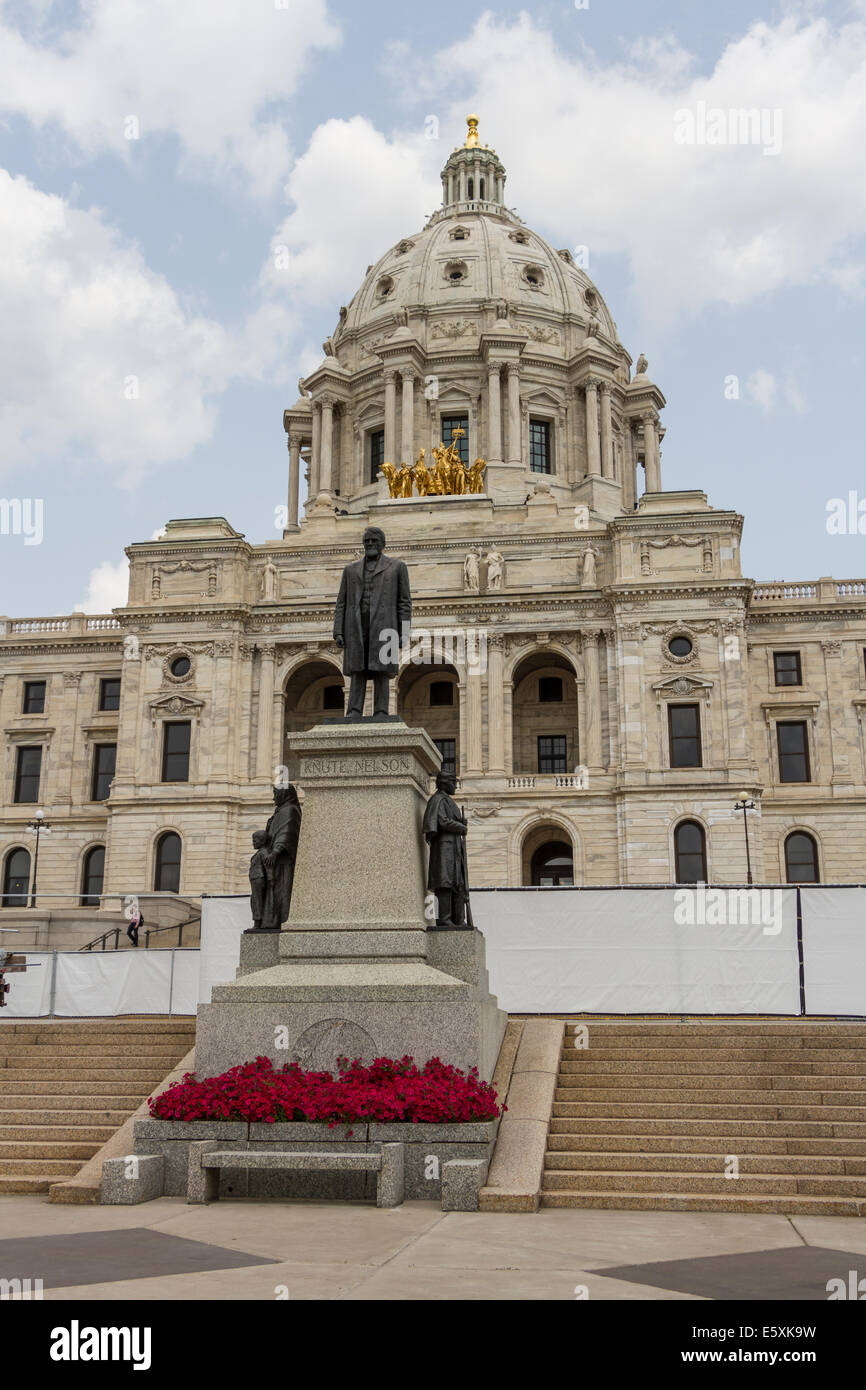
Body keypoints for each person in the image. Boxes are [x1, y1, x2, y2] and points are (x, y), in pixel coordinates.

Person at [333, 526, 411, 719]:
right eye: (367, 541)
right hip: (356, 626)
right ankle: (353, 711)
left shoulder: (397, 567)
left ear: (383, 545)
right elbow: (341, 602)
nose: (370, 544)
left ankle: (382, 711)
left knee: (381, 670)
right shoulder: (350, 570)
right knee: (358, 670)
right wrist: (338, 631)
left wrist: (405, 632)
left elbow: (405, 602)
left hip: (386, 626)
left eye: (374, 541)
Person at [422, 772, 470, 929]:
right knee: (445, 883)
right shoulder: (438, 799)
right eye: (452, 782)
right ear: (444, 783)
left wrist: (460, 821)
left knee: (459, 884)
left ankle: (459, 919)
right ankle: (445, 919)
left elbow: (448, 819)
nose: (455, 786)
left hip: (454, 848)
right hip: (445, 847)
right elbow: (442, 821)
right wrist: (460, 826)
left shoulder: (448, 801)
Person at [248, 830, 268, 930]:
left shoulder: (263, 852)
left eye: (255, 840)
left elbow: (268, 867)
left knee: (257, 901)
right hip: (256, 879)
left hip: (259, 879)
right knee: (254, 901)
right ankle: (258, 922)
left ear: (262, 841)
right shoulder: (260, 852)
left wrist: (271, 879)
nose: (253, 842)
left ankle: (258, 923)